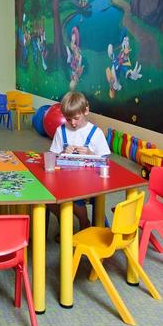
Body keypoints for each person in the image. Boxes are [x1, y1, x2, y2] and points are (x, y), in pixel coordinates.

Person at [49, 91, 110, 230]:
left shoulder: (96, 133)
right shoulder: (61, 130)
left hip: (89, 182)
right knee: (48, 198)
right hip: (64, 179)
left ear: (86, 110)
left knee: (74, 195)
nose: (73, 123)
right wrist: (62, 153)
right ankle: (66, 226)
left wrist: (91, 153)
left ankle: (84, 223)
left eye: (76, 118)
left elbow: (105, 161)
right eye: (68, 119)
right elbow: (52, 157)